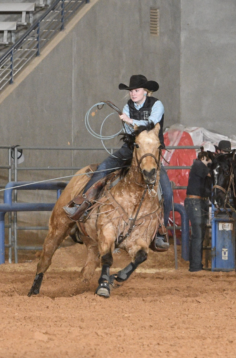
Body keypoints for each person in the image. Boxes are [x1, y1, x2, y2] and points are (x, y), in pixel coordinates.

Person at [63, 74, 174, 251]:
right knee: (103, 169)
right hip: (131, 149)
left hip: (150, 152)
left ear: (145, 91)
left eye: (136, 90)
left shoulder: (156, 105)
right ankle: (82, 205)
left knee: (166, 192)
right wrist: (128, 123)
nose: (133, 94)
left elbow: (151, 124)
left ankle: (161, 230)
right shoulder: (127, 107)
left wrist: (131, 121)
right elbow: (128, 131)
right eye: (131, 91)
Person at [185, 151, 213, 272]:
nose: (208, 162)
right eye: (206, 159)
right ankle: (195, 266)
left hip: (197, 202)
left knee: (198, 234)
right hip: (195, 202)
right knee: (198, 234)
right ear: (202, 158)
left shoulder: (198, 167)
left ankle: (196, 264)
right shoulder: (197, 165)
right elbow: (211, 174)